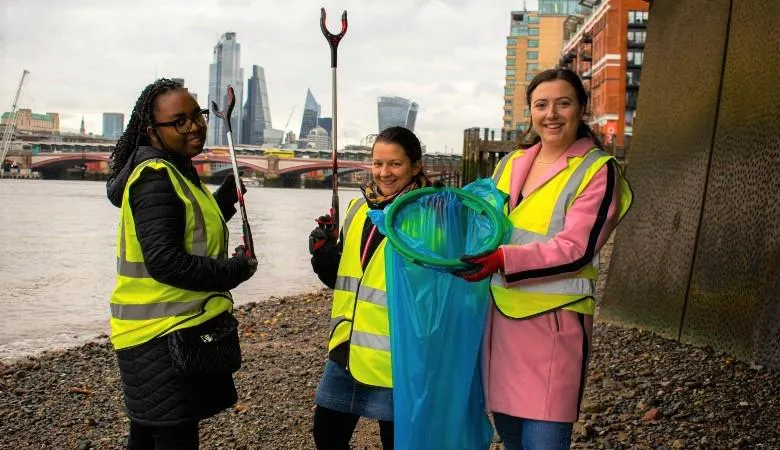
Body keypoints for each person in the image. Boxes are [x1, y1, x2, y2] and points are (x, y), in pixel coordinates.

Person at [456, 68, 633, 449]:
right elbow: (483, 224)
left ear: (581, 109)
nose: (551, 114)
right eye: (541, 105)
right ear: (530, 113)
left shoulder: (598, 171)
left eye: (563, 103)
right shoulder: (511, 164)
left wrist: (503, 259)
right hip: (500, 322)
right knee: (512, 438)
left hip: (555, 327)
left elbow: (578, 248)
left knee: (546, 442)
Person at [105, 78, 257, 450]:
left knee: (147, 435)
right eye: (179, 121)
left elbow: (190, 230)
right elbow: (166, 263)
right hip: (158, 335)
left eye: (197, 116)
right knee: (174, 437)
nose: (194, 127)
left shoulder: (175, 171)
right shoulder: (155, 177)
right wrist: (234, 272)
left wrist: (226, 199)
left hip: (168, 329)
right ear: (151, 130)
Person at [308, 126, 432, 450]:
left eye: (395, 164)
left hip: (397, 357)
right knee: (327, 436)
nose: (384, 172)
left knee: (398, 443)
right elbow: (345, 280)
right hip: (347, 349)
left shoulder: (428, 217)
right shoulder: (358, 210)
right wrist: (322, 256)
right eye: (377, 163)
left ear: (415, 166)